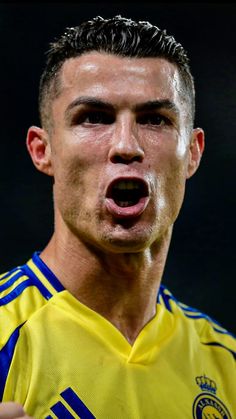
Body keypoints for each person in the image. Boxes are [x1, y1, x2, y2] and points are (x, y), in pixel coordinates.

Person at [0, 14, 235, 419]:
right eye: (94, 117)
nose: (127, 146)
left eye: (154, 120)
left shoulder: (226, 363)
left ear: (193, 153)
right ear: (43, 150)